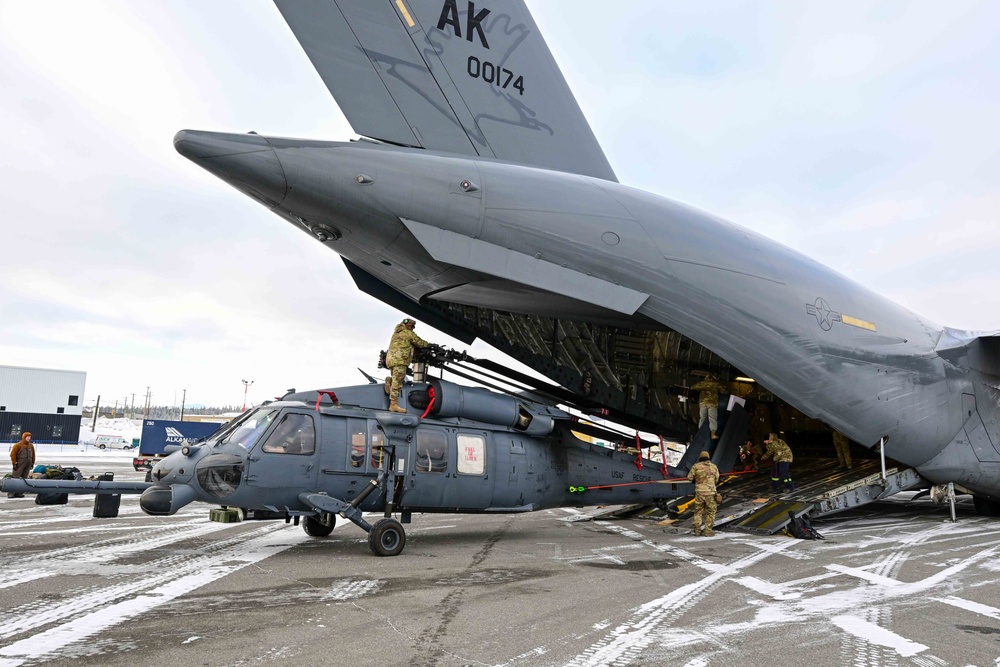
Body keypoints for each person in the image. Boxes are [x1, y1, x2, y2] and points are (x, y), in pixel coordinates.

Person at [385, 318, 430, 413]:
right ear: (409, 326)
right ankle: (393, 405)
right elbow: (420, 343)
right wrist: (429, 345)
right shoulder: (408, 333)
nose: (412, 329)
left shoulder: (396, 333)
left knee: (396, 379)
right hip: (400, 360)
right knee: (398, 383)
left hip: (391, 360)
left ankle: (389, 381)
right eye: (412, 327)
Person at [687, 450, 720, 536]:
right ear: (708, 458)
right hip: (711, 493)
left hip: (699, 493)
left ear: (700, 458)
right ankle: (707, 530)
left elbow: (690, 478)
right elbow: (716, 479)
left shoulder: (696, 467)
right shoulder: (714, 467)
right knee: (711, 512)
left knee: (698, 512)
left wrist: (696, 480)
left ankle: (697, 531)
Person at [691, 373, 727, 439]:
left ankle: (701, 433)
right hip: (712, 403)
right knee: (712, 418)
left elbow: (692, 387)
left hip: (703, 403)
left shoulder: (702, 383)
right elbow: (724, 391)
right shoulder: (716, 383)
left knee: (702, 418)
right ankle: (713, 434)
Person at [8, 431, 35, 498]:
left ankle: (19, 492)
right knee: (15, 478)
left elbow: (33, 455)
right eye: (27, 437)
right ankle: (11, 493)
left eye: (29, 437)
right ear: (24, 437)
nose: (29, 438)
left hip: (28, 464)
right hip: (19, 464)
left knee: (24, 479)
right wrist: (14, 463)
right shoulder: (17, 445)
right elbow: (12, 455)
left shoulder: (31, 446)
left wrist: (32, 463)